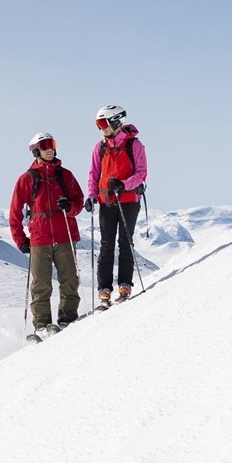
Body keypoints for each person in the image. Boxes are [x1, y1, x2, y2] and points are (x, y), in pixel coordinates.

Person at [9, 132, 84, 340]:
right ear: (35, 150)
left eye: (52, 144)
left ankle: (67, 318)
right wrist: (21, 240)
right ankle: (42, 324)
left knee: (69, 280)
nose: (49, 149)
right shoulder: (26, 179)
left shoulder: (65, 175)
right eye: (44, 145)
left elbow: (79, 201)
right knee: (41, 284)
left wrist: (69, 208)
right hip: (39, 239)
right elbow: (15, 212)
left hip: (65, 236)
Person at [85, 104, 148, 310]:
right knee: (106, 245)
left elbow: (141, 173)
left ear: (116, 121)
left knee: (125, 242)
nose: (101, 128)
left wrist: (124, 184)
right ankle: (104, 290)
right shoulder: (100, 147)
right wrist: (92, 195)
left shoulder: (135, 146)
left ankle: (125, 286)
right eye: (98, 124)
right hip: (107, 201)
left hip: (128, 200)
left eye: (103, 123)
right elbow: (93, 173)